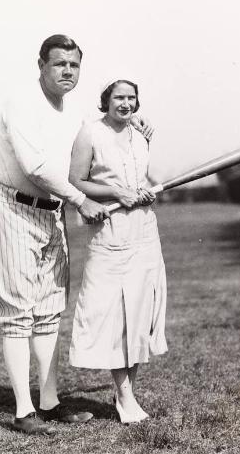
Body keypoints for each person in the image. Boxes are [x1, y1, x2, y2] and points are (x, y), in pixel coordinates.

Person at [0, 34, 153, 435]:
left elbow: (97, 139)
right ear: (41, 65)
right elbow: (36, 166)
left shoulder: (72, 115)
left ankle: (50, 402)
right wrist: (79, 200)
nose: (67, 71)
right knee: (18, 313)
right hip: (12, 209)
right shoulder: (21, 101)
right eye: (59, 64)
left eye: (74, 65)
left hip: (50, 215)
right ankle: (24, 411)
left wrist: (130, 120)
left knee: (50, 312)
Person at [69, 78, 168, 424]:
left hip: (144, 231)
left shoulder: (142, 133)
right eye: (118, 97)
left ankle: (125, 394)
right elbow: (76, 180)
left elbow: (139, 178)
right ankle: (125, 398)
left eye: (131, 98)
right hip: (109, 234)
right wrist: (115, 191)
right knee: (114, 315)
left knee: (139, 313)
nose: (124, 104)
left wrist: (144, 192)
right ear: (106, 100)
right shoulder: (90, 133)